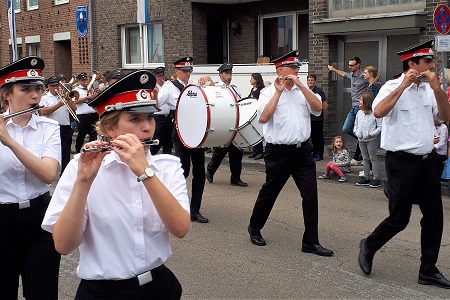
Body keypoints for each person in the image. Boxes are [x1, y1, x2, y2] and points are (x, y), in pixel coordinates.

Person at [42, 70, 191, 299]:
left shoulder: (167, 167)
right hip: (102, 292)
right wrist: (83, 183)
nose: (147, 127)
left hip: (159, 287)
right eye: (135, 119)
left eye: (149, 117)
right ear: (110, 129)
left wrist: (145, 172)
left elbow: (180, 228)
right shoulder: (79, 168)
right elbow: (63, 245)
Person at [358, 40, 450, 289]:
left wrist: (439, 90)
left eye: (432, 60)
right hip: (401, 162)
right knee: (399, 218)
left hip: (427, 161)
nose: (433, 65)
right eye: (427, 62)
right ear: (412, 64)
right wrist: (403, 86)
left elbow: (444, 118)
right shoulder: (390, 86)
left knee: (434, 217)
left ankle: (428, 271)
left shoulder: (430, 90)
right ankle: (369, 244)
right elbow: (378, 113)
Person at [247, 50, 334, 257]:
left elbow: (318, 109)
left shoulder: (302, 91)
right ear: (280, 70)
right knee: (270, 192)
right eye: (292, 67)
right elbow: (264, 118)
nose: (296, 71)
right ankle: (254, 227)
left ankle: (310, 242)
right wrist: (278, 92)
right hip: (278, 152)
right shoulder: (267, 93)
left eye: (298, 68)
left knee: (310, 195)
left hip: (302, 151)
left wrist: (302, 86)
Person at [0, 57, 61, 299]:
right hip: (2, 219)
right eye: (25, 89)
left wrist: (9, 142)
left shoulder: (49, 128)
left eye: (38, 88)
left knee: (43, 293)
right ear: (7, 94)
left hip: (40, 218)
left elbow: (48, 174)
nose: (35, 96)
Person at [158, 56, 209, 223]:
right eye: (185, 71)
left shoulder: (194, 86)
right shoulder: (169, 87)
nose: (188, 73)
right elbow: (157, 105)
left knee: (200, 173)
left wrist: (209, 81)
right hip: (180, 133)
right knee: (183, 171)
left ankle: (195, 210)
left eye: (190, 70)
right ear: (176, 71)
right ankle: (174, 205)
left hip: (197, 132)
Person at [201, 63, 248, 187]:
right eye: (226, 73)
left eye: (230, 73)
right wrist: (209, 80)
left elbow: (239, 103)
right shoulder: (215, 87)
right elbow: (212, 96)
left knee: (237, 153)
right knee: (220, 152)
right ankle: (210, 171)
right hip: (224, 123)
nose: (229, 75)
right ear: (220, 74)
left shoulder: (235, 88)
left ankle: (235, 178)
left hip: (235, 124)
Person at [328, 57, 368, 165]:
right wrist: (333, 69)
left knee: (360, 133)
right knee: (346, 128)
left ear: (358, 65)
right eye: (349, 65)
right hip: (353, 108)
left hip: (361, 109)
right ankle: (363, 140)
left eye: (352, 65)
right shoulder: (352, 75)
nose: (349, 67)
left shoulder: (364, 76)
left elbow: (374, 81)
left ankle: (360, 155)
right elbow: (343, 74)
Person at [40, 75, 77, 175]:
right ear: (48, 87)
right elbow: (43, 111)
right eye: (53, 86)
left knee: (65, 151)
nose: (56, 88)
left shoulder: (65, 96)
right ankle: (48, 170)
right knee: (51, 151)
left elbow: (74, 108)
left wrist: (68, 99)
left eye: (57, 85)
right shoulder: (44, 98)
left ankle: (64, 173)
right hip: (50, 128)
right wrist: (58, 105)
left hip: (65, 127)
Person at [353, 92, 382, 188]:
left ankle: (376, 178)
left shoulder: (374, 113)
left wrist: (371, 134)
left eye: (361, 100)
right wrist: (356, 132)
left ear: (366, 102)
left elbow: (379, 127)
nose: (359, 101)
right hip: (361, 139)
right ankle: (366, 177)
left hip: (371, 139)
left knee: (373, 158)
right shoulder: (359, 113)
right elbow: (356, 124)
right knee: (365, 158)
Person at [151, 66, 174, 155]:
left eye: (162, 75)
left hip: (168, 116)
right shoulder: (152, 87)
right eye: (158, 76)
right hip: (158, 116)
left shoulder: (168, 86)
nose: (161, 78)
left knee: (168, 142)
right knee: (157, 139)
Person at [73, 72, 98, 153]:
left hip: (93, 115)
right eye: (83, 80)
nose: (86, 81)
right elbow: (75, 101)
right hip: (82, 116)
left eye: (87, 80)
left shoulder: (91, 88)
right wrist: (87, 97)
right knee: (81, 134)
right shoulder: (76, 90)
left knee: (93, 134)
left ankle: (92, 150)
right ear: (79, 81)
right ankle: (77, 150)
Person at [307, 74, 328, 161]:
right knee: (312, 137)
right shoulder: (307, 91)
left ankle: (320, 154)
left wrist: (320, 112)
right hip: (309, 118)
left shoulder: (319, 91)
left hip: (317, 118)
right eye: (309, 80)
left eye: (312, 80)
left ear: (315, 81)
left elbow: (325, 105)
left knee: (318, 137)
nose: (310, 82)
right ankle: (314, 153)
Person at [248, 72, 265, 160]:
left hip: (257, 114)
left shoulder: (261, 90)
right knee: (253, 132)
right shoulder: (252, 90)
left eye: (252, 78)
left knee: (258, 133)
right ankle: (255, 151)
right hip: (252, 113)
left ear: (256, 79)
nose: (250, 80)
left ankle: (260, 152)